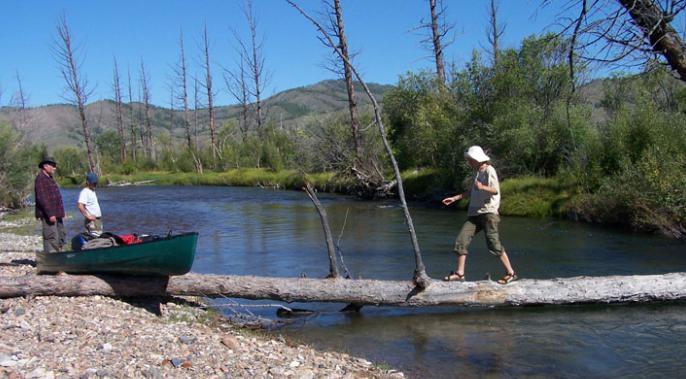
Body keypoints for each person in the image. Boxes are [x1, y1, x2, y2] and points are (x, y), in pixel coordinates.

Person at [441, 145, 517, 285]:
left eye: (470, 160)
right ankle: (460, 273)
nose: (468, 162)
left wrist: (483, 187)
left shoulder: (489, 170)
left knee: (493, 244)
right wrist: (455, 198)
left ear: (477, 159)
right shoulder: (477, 172)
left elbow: (495, 190)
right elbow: (473, 191)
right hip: (474, 214)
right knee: (461, 241)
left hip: (488, 213)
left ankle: (511, 273)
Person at [34, 156, 66, 253]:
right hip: (49, 215)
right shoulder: (40, 179)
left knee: (61, 235)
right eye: (53, 165)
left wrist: (61, 213)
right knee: (51, 237)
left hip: (57, 214)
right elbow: (42, 198)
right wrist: (50, 214)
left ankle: (60, 257)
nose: (55, 168)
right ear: (45, 166)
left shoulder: (50, 178)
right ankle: (52, 260)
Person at [77, 172, 103, 237]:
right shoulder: (85, 192)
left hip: (97, 220)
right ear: (88, 182)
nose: (95, 185)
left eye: (96, 183)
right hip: (92, 221)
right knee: (95, 239)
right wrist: (88, 216)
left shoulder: (92, 191)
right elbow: (80, 205)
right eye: (93, 183)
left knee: (99, 238)